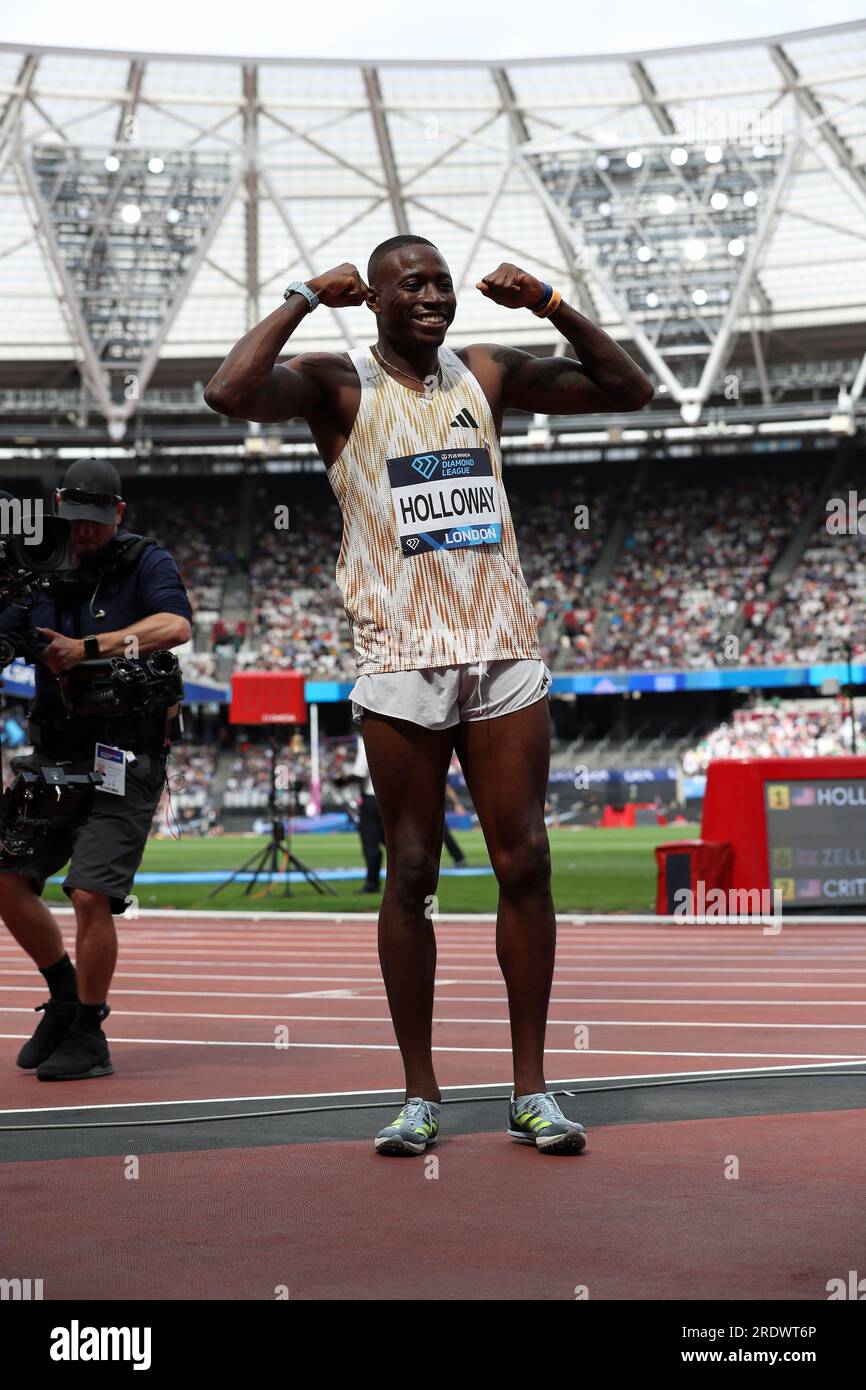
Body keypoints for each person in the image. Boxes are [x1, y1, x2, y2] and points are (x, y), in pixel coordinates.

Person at [205, 235, 652, 1154]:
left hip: (501, 648)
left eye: (443, 282)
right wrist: (298, 295)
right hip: (400, 657)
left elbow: (630, 390)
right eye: (411, 284)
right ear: (370, 298)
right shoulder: (337, 384)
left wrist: (553, 303)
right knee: (410, 872)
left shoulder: (485, 372)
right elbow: (229, 393)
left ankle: (532, 1091)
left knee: (524, 860)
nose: (433, 296)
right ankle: (420, 1093)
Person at [0, 459, 192, 1080]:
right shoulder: (35, 573)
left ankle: (89, 1031)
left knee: (89, 893)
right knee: (5, 874)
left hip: (126, 755)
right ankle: (62, 995)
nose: (83, 534)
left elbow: (176, 624)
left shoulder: (146, 562)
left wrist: (85, 648)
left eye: (94, 521)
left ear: (117, 513)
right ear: (58, 511)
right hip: (54, 753)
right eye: (72, 521)